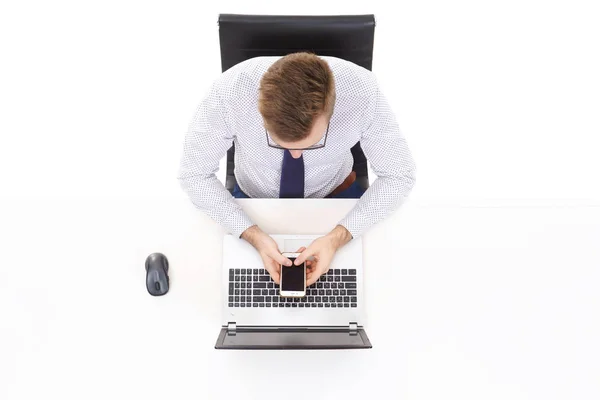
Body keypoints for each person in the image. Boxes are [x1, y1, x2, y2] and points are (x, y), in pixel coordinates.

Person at [178, 52, 416, 285]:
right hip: (253, 199)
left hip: (335, 195)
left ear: (331, 110)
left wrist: (337, 237)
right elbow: (194, 174)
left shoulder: (362, 93)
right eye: (280, 144)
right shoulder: (230, 92)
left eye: (311, 145)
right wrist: (251, 233)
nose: (294, 155)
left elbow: (399, 175)